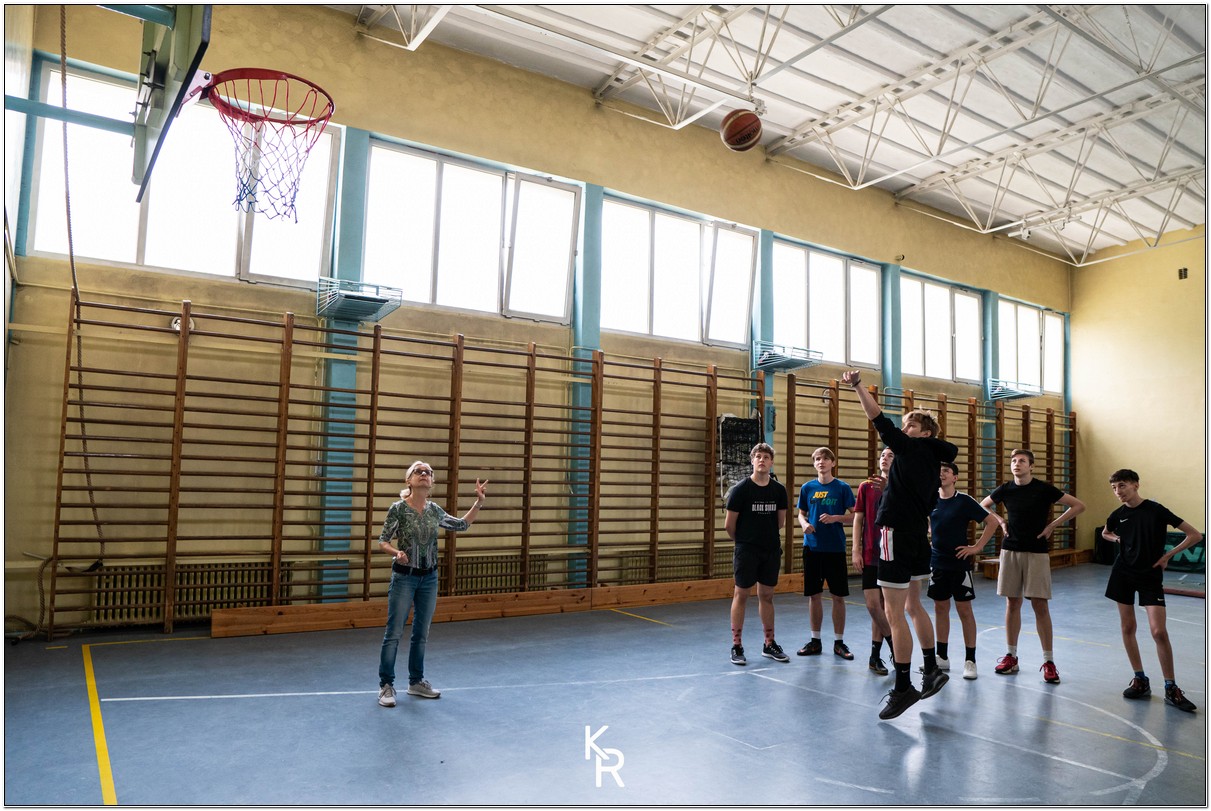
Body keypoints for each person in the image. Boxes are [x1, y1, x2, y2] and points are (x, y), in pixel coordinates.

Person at [841, 369, 957, 720]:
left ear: (924, 432)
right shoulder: (931, 459)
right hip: (918, 536)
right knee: (914, 606)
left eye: (910, 425)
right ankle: (932, 668)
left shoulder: (910, 446)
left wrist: (858, 386)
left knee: (893, 612)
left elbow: (878, 418)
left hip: (895, 532)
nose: (904, 430)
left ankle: (904, 685)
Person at [377, 461, 488, 706]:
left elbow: (461, 525)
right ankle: (386, 686)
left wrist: (478, 502)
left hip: (429, 578)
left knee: (421, 633)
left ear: (431, 482)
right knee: (394, 632)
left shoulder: (434, 510)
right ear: (409, 480)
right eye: (419, 471)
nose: (424, 474)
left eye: (428, 472)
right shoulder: (398, 509)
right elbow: (383, 540)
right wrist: (396, 552)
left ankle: (416, 682)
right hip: (404, 578)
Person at [980, 449, 1085, 685]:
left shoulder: (1043, 489)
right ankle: (1011, 656)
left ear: (1031, 466)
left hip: (1037, 551)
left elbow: (1078, 506)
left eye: (1022, 461)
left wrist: (1053, 525)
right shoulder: (1006, 489)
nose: (1016, 464)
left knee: (1040, 605)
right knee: (1012, 603)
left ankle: (1049, 661)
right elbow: (984, 505)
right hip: (1010, 550)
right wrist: (1000, 521)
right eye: (1013, 461)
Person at [1102, 469, 1201, 713]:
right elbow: (1106, 532)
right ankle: (1140, 680)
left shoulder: (1156, 510)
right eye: (1114, 488)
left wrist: (1168, 555)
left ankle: (1171, 687)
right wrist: (1117, 539)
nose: (1118, 491)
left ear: (1136, 485)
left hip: (1150, 575)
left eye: (1122, 485)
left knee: (1159, 632)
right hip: (1122, 574)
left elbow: (1194, 535)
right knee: (1128, 627)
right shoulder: (1118, 515)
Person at [930, 461, 1004, 681]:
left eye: (946, 471)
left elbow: (992, 522)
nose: (941, 474)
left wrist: (977, 547)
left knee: (964, 610)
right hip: (937, 563)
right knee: (940, 608)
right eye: (939, 471)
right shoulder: (930, 499)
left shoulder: (964, 501)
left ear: (955, 478)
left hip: (959, 564)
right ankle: (942, 656)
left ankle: (970, 660)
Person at [725, 442, 790, 666]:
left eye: (766, 457)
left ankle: (769, 643)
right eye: (758, 456)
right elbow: (729, 526)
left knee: (767, 596)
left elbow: (780, 523)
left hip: (770, 550)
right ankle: (736, 645)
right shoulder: (740, 490)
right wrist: (745, 542)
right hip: (747, 550)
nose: (762, 460)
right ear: (752, 460)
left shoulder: (779, 490)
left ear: (771, 462)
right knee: (741, 594)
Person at [796, 447, 856, 660]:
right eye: (817, 459)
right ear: (814, 464)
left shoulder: (842, 488)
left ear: (833, 463)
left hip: (835, 548)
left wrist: (836, 518)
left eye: (825, 459)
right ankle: (815, 640)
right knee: (814, 595)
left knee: (838, 596)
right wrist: (804, 524)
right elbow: (801, 514)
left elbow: (856, 516)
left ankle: (839, 642)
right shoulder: (807, 488)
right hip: (812, 548)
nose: (821, 462)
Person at [852, 447, 895, 675]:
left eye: (890, 455)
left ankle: (874, 656)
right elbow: (858, 519)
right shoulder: (866, 486)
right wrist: (855, 549)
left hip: (892, 554)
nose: (885, 459)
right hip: (870, 553)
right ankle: (895, 645)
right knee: (872, 606)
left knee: (885, 607)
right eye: (882, 456)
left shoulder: (901, 487)